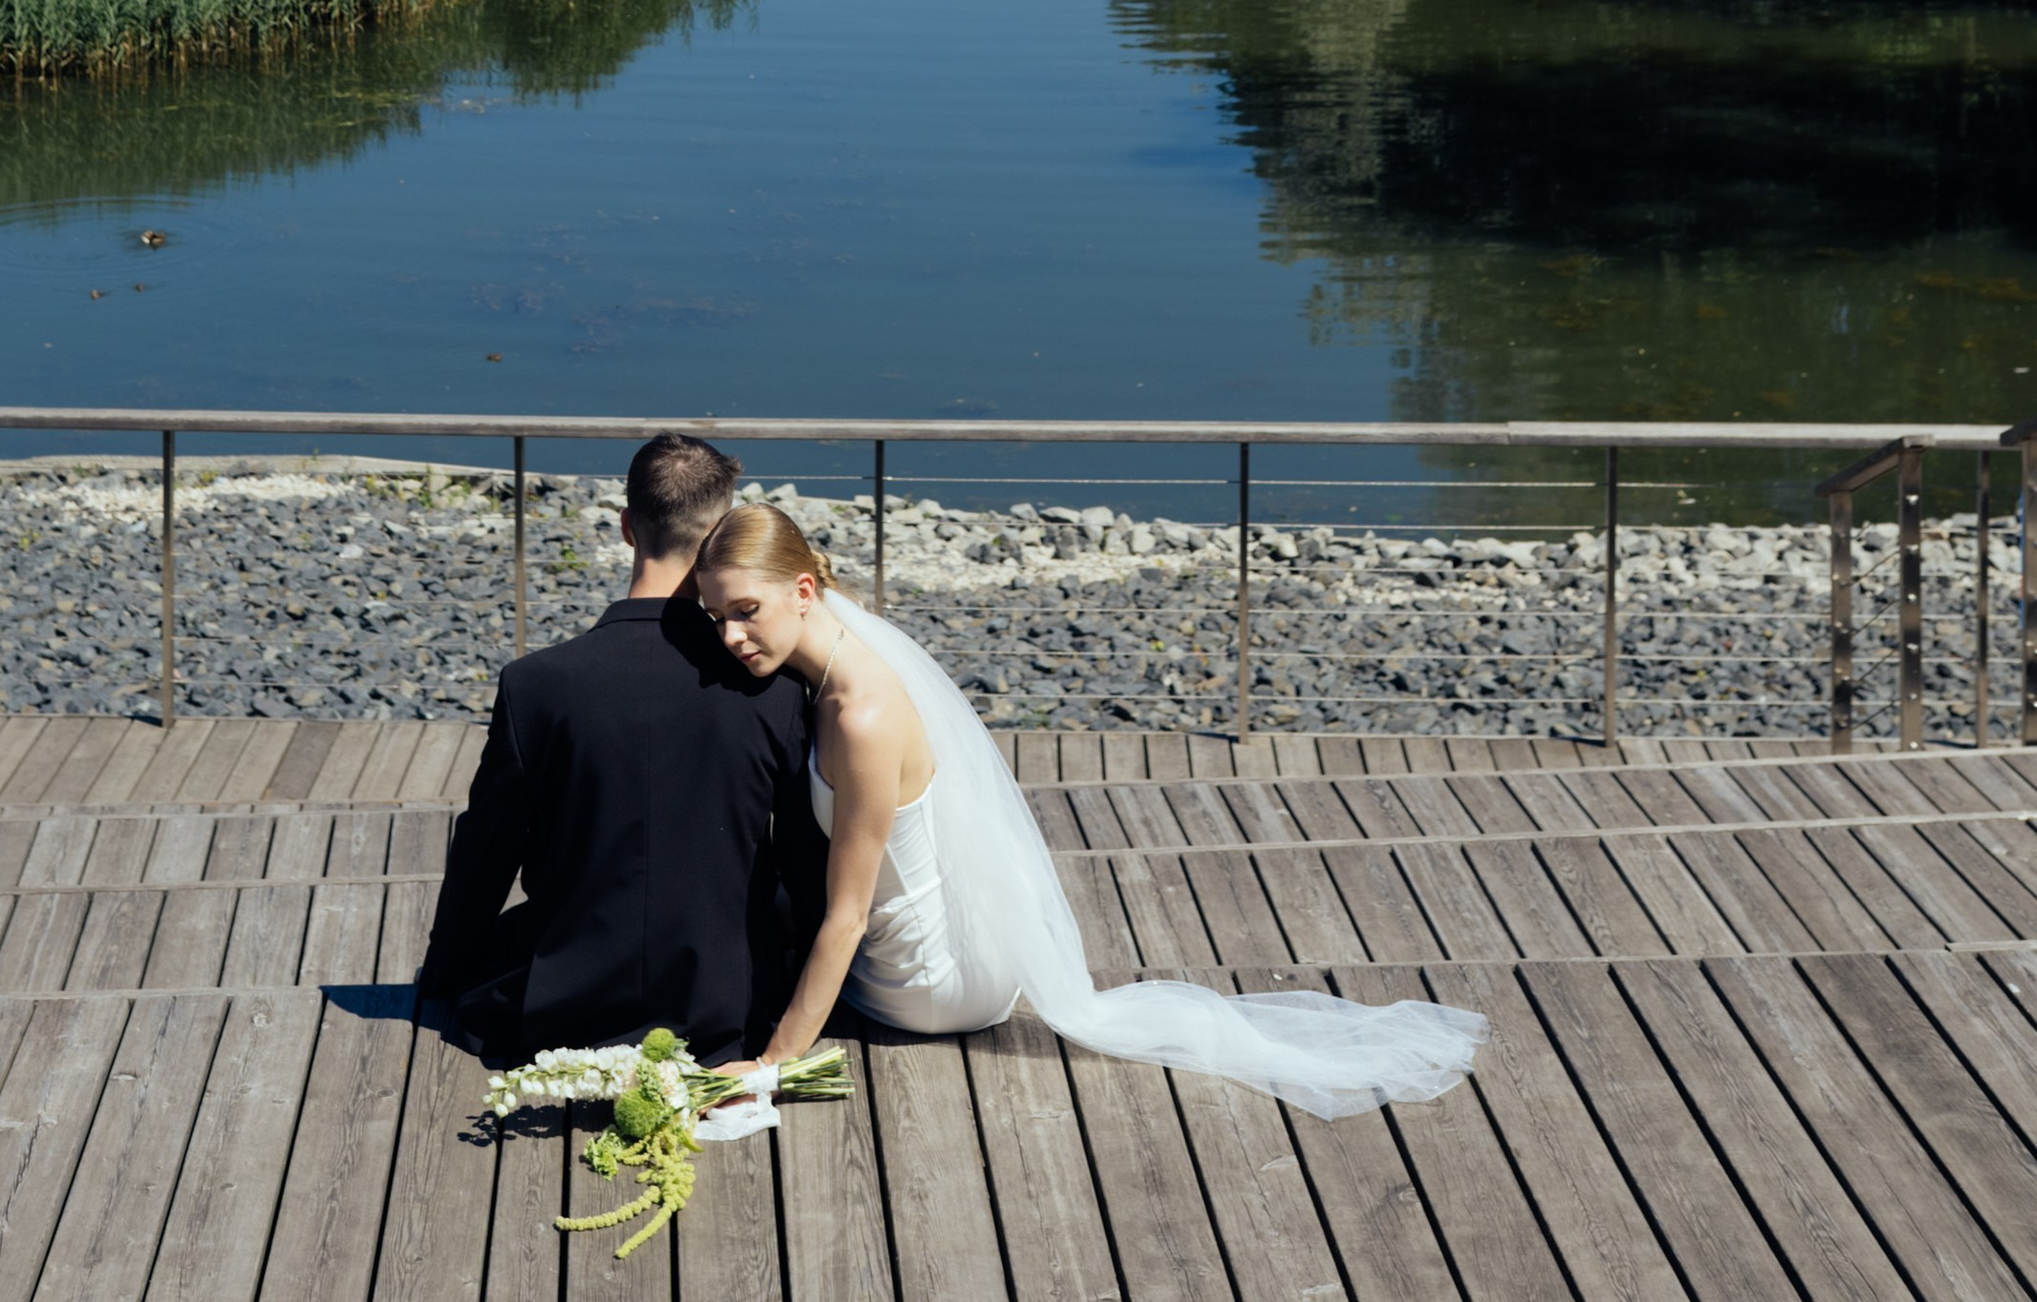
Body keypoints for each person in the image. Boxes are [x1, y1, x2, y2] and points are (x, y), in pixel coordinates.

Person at [693, 505, 1487, 1124]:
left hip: (929, 986)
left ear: (803, 589)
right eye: (714, 615)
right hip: (970, 945)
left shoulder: (860, 715)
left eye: (746, 611)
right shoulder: (846, 641)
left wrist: (773, 1060)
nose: (729, 636)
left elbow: (851, 912)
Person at [416, 434, 819, 1065]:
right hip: (729, 1006)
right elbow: (806, 862)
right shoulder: (776, 689)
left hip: (565, 1004)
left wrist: (443, 973)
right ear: (722, 533)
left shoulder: (536, 684)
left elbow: (485, 853)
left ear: (628, 527)